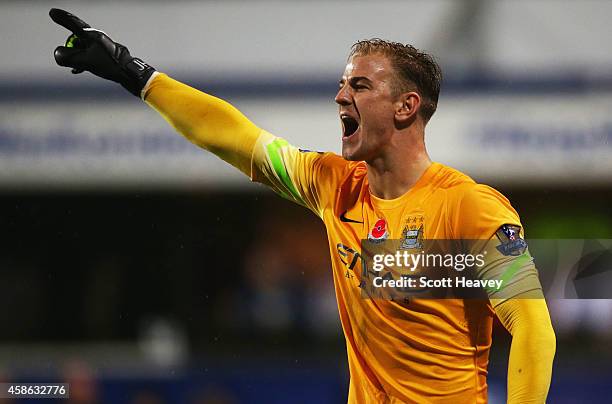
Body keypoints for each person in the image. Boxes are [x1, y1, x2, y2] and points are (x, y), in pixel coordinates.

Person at [49, 8, 556, 403]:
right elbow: (234, 135)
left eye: (360, 85)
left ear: (407, 107)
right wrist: (132, 73)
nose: (340, 96)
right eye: (341, 84)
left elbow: (532, 325)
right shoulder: (333, 185)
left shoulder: (469, 207)